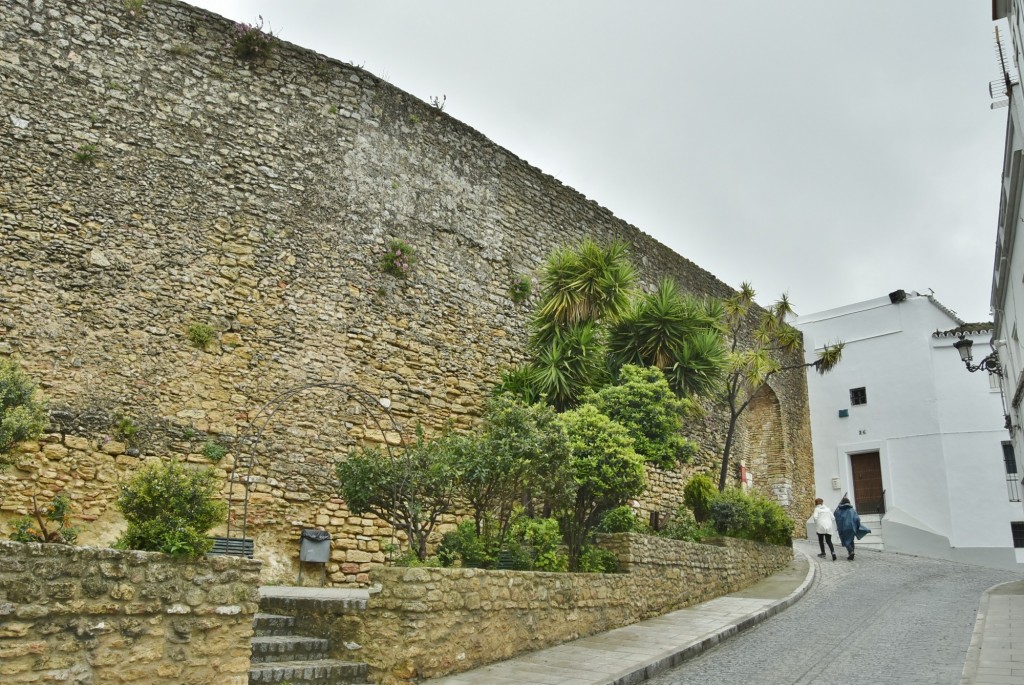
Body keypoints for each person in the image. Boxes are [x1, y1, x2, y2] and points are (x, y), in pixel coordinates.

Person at [834, 496, 870, 561]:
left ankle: (851, 552)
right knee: (851, 540)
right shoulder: (852, 510)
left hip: (843, 528)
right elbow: (857, 519)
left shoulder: (839, 511)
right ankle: (852, 554)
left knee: (846, 541)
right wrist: (858, 526)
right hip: (851, 527)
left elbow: (836, 517)